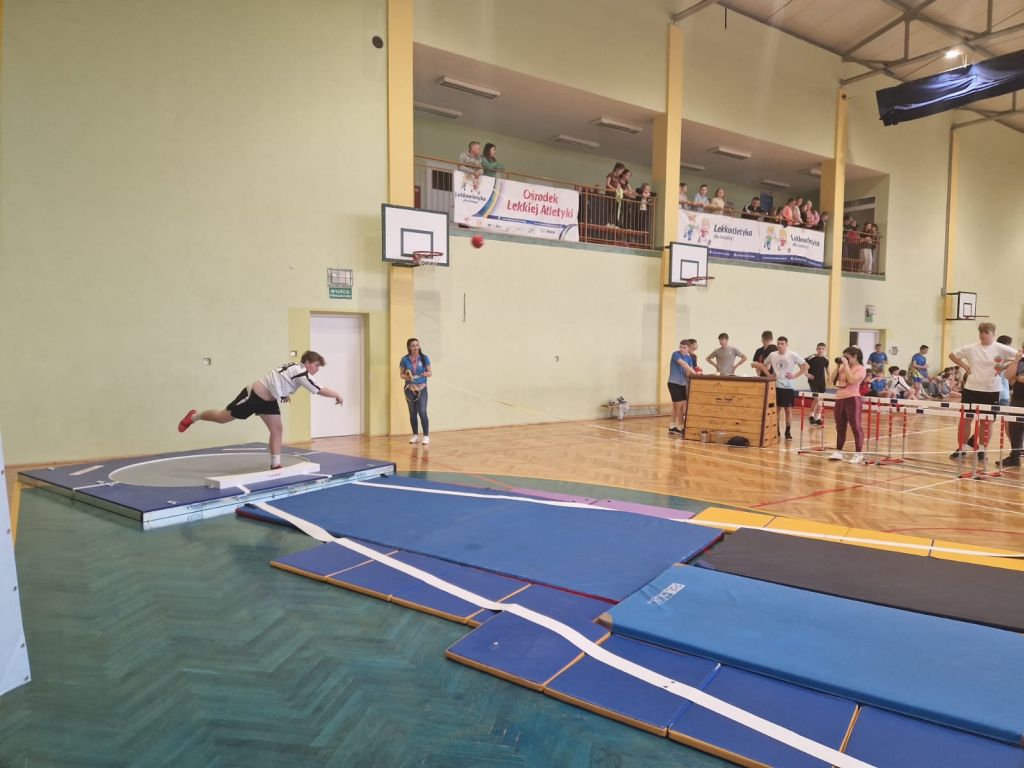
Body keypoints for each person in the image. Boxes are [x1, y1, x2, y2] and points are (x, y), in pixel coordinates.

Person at [177, 351, 343, 469]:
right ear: (307, 363)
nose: (317, 369)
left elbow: (280, 379)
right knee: (222, 417)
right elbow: (318, 389)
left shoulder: (294, 369)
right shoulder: (300, 371)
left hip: (268, 402)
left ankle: (275, 464)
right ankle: (194, 417)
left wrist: (283, 394)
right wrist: (336, 395)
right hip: (253, 397)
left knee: (277, 429)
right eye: (316, 365)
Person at [948, 323, 1020, 460]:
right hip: (971, 389)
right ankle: (962, 448)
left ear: (993, 334)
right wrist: (965, 367)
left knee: (986, 421)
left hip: (991, 390)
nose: (983, 335)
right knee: (965, 419)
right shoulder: (970, 348)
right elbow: (952, 355)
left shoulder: (1001, 348)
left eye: (986, 332)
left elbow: (1019, 357)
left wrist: (1004, 367)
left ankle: (982, 449)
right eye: (981, 332)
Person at [754, 336, 808, 441]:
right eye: (778, 343)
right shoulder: (772, 354)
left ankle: (788, 431)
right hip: (776, 386)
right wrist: (769, 375)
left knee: (788, 410)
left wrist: (795, 375)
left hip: (788, 386)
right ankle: (777, 430)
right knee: (777, 409)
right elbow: (763, 365)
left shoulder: (792, 355)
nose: (780, 345)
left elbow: (806, 366)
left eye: (782, 343)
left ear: (786, 345)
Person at [828, 347, 867, 464]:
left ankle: (858, 453)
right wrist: (838, 366)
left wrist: (845, 365)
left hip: (853, 399)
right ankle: (838, 451)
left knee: (856, 427)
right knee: (840, 427)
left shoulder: (861, 369)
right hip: (840, 399)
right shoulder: (843, 368)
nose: (845, 359)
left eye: (847, 357)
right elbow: (831, 381)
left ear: (855, 357)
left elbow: (851, 381)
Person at [399, 338, 432, 445]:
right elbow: (402, 374)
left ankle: (426, 436)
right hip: (409, 389)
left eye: (417, 345)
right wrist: (408, 377)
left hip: (422, 388)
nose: (416, 347)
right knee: (412, 413)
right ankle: (415, 435)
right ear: (409, 347)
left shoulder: (424, 358)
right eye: (413, 346)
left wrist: (424, 374)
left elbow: (430, 373)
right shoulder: (404, 359)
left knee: (422, 411)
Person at [1000, 343, 1024, 469]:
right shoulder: (1021, 362)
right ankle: (1015, 457)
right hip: (1017, 399)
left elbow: (1017, 378)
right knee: (1015, 429)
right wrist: (1016, 359)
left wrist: (1018, 378)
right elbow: (1008, 376)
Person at [667, 339, 697, 435]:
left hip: (682, 384)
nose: (681, 349)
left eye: (684, 347)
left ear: (688, 349)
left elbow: (688, 371)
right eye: (680, 347)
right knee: (679, 405)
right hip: (673, 383)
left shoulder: (688, 357)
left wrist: (694, 373)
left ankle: (672, 426)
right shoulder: (675, 354)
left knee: (677, 405)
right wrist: (695, 373)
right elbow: (683, 364)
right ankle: (681, 427)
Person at [804, 342, 829, 426]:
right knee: (817, 399)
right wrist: (806, 374)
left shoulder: (826, 359)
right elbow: (802, 364)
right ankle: (811, 416)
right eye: (819, 348)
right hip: (813, 381)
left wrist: (829, 377)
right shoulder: (811, 357)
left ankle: (817, 418)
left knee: (820, 400)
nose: (820, 350)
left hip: (821, 382)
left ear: (825, 350)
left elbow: (827, 368)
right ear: (816, 349)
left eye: (822, 349)